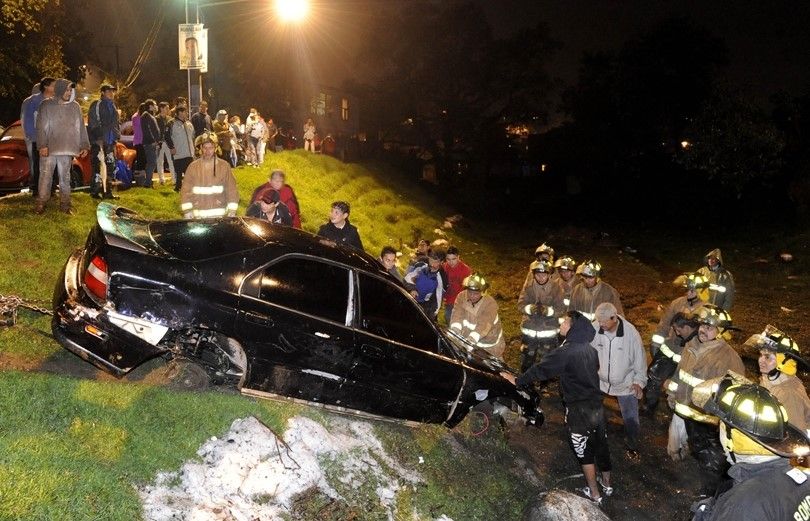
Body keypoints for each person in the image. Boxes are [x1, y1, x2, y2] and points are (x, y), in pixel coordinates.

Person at [505, 311, 612, 506]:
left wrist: (517, 380)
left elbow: (541, 369)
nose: (561, 325)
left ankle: (595, 494)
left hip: (578, 409)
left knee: (583, 448)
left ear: (573, 327)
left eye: (564, 322)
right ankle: (607, 483)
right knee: (600, 443)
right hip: (597, 404)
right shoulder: (590, 350)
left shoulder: (566, 351)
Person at [690, 379, 810, 521]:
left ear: (734, 438)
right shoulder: (802, 480)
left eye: (721, 425)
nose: (718, 430)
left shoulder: (744, 503)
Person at [666, 304, 745, 497]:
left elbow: (736, 395)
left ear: (722, 333)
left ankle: (712, 496)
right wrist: (672, 394)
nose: (703, 330)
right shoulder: (690, 346)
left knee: (713, 461)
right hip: (687, 412)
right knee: (698, 451)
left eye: (710, 327)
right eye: (702, 325)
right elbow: (680, 375)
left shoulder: (729, 358)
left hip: (708, 421)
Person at [591, 302, 647, 458]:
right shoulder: (595, 328)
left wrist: (639, 382)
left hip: (625, 384)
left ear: (614, 318)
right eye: (598, 321)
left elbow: (640, 359)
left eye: (604, 322)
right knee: (592, 410)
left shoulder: (630, 333)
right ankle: (595, 435)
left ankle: (632, 444)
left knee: (630, 417)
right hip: (600, 381)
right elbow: (587, 348)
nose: (600, 324)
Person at [34, 79, 89, 215]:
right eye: (66, 89)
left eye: (70, 90)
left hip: (66, 148)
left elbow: (80, 127)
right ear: (59, 90)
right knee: (45, 176)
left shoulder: (75, 106)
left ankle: (65, 204)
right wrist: (42, 145)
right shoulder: (46, 105)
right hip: (49, 148)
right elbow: (41, 127)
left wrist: (84, 145)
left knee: (65, 177)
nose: (69, 92)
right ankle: (41, 203)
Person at [746, 325, 810, 433]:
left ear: (783, 362)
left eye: (767, 357)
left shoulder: (788, 394)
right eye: (760, 355)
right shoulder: (770, 379)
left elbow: (794, 438)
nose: (761, 360)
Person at [517, 259, 565, 372]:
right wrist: (529, 308)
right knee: (528, 356)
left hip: (548, 330)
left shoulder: (556, 288)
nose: (541, 277)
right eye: (538, 274)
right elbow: (520, 304)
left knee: (547, 358)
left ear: (549, 274)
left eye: (544, 274)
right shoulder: (528, 287)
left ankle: (545, 382)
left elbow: (561, 308)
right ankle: (526, 379)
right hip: (530, 330)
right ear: (533, 274)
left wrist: (549, 311)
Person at [179, 132, 238, 218]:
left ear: (215, 148)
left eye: (210, 148)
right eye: (205, 148)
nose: (207, 151)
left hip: (219, 215)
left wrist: (232, 210)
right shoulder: (193, 167)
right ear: (201, 148)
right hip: (198, 216)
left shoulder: (224, 166)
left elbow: (231, 189)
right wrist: (187, 211)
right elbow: (186, 190)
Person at [650, 272, 709, 357]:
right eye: (687, 289)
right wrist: (656, 344)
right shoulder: (677, 303)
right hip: (669, 350)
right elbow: (664, 324)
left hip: (689, 356)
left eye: (692, 290)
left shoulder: (707, 310)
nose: (688, 293)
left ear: (702, 292)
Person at [448, 273, 506, 358]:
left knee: (491, 368)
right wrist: (455, 331)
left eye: (476, 293)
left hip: (488, 345)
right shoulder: (461, 296)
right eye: (470, 292)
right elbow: (457, 314)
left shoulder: (490, 304)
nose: (472, 296)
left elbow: (484, 324)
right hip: (468, 341)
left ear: (482, 292)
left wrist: (472, 339)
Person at [21, 77, 55, 196]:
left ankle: (51, 189)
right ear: (46, 86)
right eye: (53, 85)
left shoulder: (55, 101)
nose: (55, 87)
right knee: (39, 165)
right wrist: (31, 135)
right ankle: (37, 190)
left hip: (53, 138)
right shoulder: (34, 101)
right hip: (38, 138)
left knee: (52, 164)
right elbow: (28, 120)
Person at [87, 83, 120, 199]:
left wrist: (116, 137)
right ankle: (95, 191)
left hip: (110, 141)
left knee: (110, 166)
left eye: (112, 91)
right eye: (109, 91)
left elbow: (116, 124)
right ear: (102, 92)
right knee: (98, 166)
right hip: (99, 141)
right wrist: (98, 138)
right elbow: (93, 122)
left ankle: (108, 192)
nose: (112, 93)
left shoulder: (113, 106)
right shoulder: (97, 104)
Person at [404, 251, 446, 321]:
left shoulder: (442, 278)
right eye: (431, 260)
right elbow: (406, 279)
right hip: (409, 299)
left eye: (435, 262)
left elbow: (437, 300)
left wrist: (430, 316)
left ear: (441, 262)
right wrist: (412, 289)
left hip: (424, 307)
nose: (432, 264)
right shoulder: (421, 267)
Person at [166, 105, 195, 192]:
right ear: (180, 113)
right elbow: (167, 136)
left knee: (189, 172)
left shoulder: (189, 123)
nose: (187, 114)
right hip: (178, 152)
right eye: (185, 112)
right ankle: (178, 187)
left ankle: (189, 188)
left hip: (189, 152)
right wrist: (171, 147)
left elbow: (193, 136)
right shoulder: (171, 123)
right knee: (178, 172)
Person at [442, 246, 472, 324]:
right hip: (448, 298)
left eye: (453, 259)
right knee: (448, 317)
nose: (451, 262)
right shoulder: (444, 267)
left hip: (460, 299)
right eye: (448, 259)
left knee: (450, 317)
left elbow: (469, 289)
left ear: (458, 257)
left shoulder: (466, 270)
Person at [139, 99, 160, 188]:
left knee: (152, 163)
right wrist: (153, 141)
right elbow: (147, 130)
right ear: (150, 106)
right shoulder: (146, 116)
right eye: (155, 105)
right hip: (150, 143)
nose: (156, 107)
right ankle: (148, 183)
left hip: (152, 143)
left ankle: (148, 182)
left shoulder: (150, 115)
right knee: (151, 163)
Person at [155, 101, 176, 185]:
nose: (168, 109)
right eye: (166, 108)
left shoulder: (169, 119)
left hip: (167, 142)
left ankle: (174, 179)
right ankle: (161, 179)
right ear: (161, 108)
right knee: (160, 161)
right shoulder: (156, 118)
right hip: (159, 142)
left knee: (171, 160)